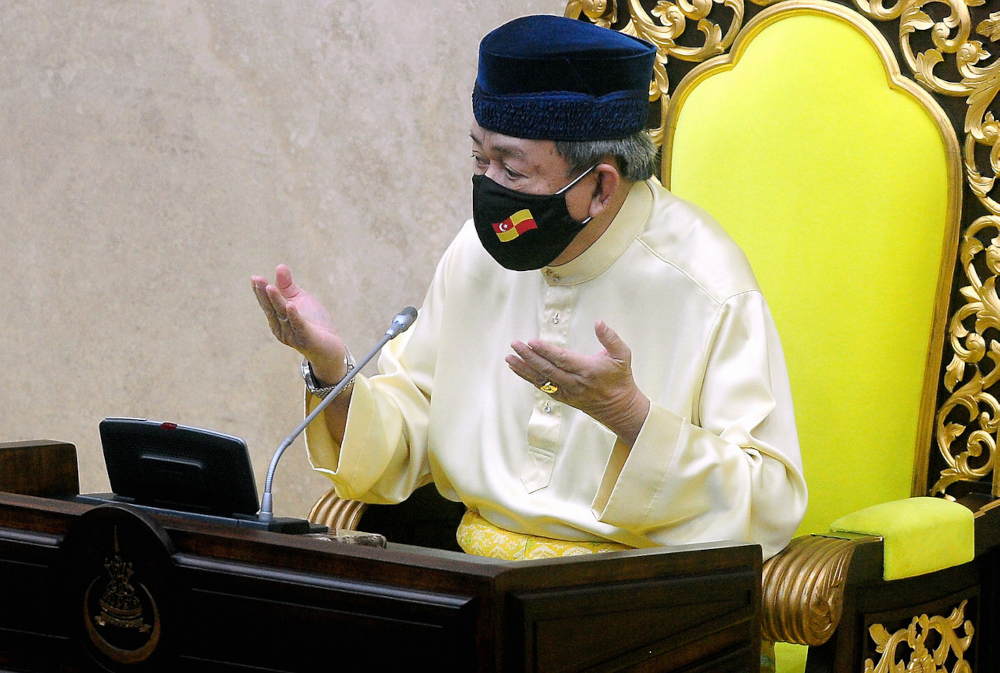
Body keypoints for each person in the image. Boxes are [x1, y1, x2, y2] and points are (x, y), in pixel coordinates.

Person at [252, 14, 807, 562]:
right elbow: (405, 438)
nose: (489, 190)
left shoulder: (709, 282)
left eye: (513, 172)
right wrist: (332, 371)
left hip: (633, 609)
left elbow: (770, 502)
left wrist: (629, 416)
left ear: (599, 186)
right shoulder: (479, 250)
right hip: (476, 589)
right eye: (479, 158)